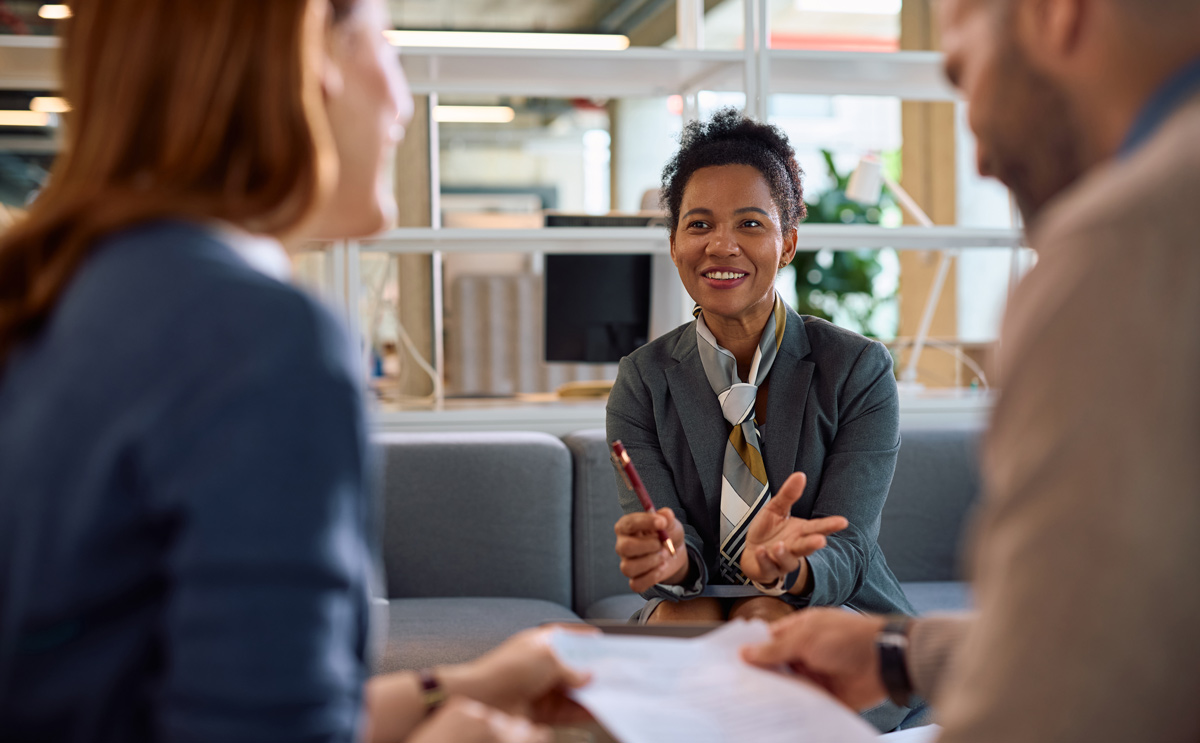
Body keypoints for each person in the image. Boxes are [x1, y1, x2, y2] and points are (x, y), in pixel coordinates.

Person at [0, 1, 585, 741]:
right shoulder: (259, 339)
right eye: (385, 41)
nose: (402, 100)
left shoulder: (58, 294)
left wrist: (468, 685)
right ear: (309, 48)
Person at [744, 0, 1200, 741]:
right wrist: (906, 656)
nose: (980, 157)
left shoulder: (1121, 249)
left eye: (963, 74)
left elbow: (1058, 707)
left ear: (1057, 15)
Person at [606, 110, 919, 729]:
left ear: (789, 242)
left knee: (767, 623)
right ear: (674, 243)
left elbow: (851, 549)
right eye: (699, 225)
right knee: (682, 624)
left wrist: (791, 568)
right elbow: (671, 545)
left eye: (751, 224)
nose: (722, 246)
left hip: (824, 601)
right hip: (695, 601)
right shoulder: (642, 379)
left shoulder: (857, 369)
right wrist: (672, 562)